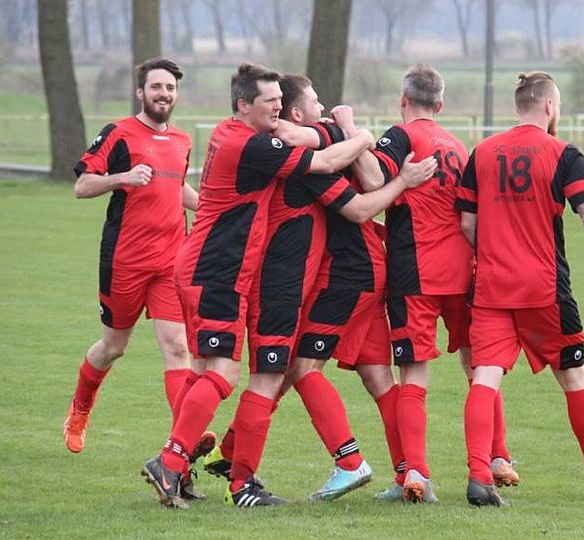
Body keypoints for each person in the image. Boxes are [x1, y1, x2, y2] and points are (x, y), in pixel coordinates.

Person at [139, 63, 384, 510]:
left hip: (220, 270)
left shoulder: (238, 134)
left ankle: (195, 469)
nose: (276, 108)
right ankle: (193, 468)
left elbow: (314, 145)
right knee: (238, 375)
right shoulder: (254, 145)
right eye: (270, 101)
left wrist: (323, 130)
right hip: (228, 272)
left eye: (279, 101)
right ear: (243, 105)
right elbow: (346, 178)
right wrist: (360, 134)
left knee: (209, 372)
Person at [205, 74, 437, 507]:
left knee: (299, 368)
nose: (324, 107)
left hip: (348, 275)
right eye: (315, 101)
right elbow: (312, 142)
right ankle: (411, 473)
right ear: (298, 112)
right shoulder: (325, 140)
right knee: (377, 377)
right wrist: (354, 133)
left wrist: (396, 174)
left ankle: (349, 461)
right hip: (370, 271)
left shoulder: (313, 158)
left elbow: (361, 206)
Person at [455, 71, 584, 506]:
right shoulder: (565, 154)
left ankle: (479, 476)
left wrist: (497, 253)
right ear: (550, 106)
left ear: (518, 105)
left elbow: (467, 224)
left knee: (484, 377)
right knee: (574, 377)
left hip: (491, 288)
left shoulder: (482, 153)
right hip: (544, 290)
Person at [363, 63, 516, 503]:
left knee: (413, 373)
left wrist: (355, 137)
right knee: (479, 367)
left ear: (403, 100)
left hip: (415, 273)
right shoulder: (458, 146)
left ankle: (415, 472)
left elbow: (373, 179)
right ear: (441, 104)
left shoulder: (401, 136)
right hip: (463, 271)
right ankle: (498, 457)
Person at [62, 58, 214, 484]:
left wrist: (212, 210)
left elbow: (175, 187)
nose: (164, 94)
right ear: (140, 92)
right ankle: (80, 409)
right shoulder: (118, 133)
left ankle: (181, 442)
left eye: (170, 88)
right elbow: (81, 186)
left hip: (171, 260)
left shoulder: (182, 140)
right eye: (157, 87)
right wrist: (123, 177)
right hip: (125, 260)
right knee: (113, 347)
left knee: (178, 348)